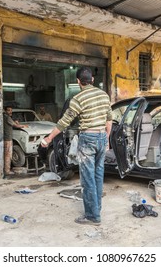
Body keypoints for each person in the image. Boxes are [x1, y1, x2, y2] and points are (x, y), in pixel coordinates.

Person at [41, 67, 112, 226]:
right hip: (101, 136)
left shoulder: (78, 99)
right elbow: (109, 119)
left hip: (88, 138)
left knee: (87, 178)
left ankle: (93, 216)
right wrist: (107, 138)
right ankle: (96, 209)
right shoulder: (104, 95)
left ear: (78, 81)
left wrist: (49, 138)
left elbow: (64, 122)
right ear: (92, 80)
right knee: (98, 175)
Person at [3, 106, 28, 177]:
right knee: (8, 155)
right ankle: (7, 171)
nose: (10, 112)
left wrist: (16, 123)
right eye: (8, 110)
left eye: (11, 110)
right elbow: (15, 125)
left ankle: (6, 170)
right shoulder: (7, 117)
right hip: (7, 139)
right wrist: (23, 126)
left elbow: (13, 123)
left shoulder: (5, 117)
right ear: (5, 111)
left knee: (7, 154)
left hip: (6, 138)